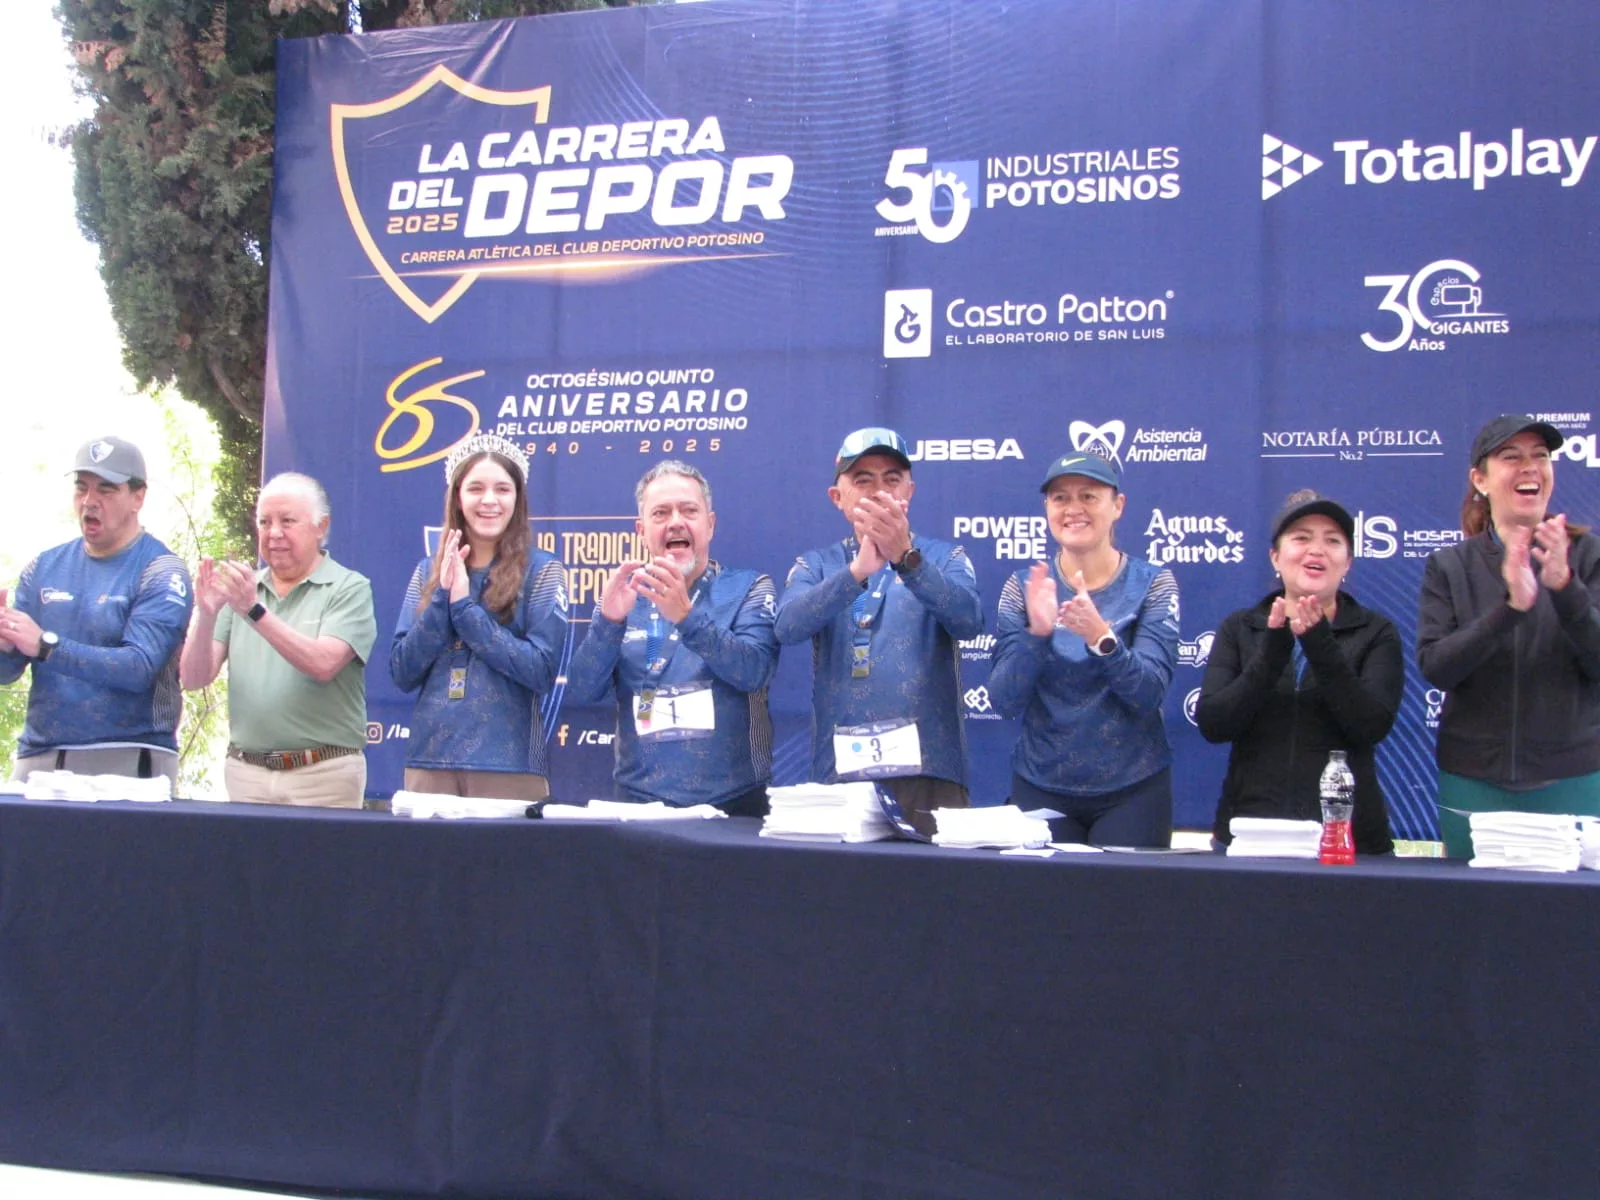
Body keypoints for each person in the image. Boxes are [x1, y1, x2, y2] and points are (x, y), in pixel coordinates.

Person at [774, 428, 983, 835]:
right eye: (863, 480)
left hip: (930, 771)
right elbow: (787, 627)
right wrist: (856, 574)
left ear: (909, 491)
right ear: (838, 497)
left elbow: (969, 622)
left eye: (891, 479)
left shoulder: (945, 557)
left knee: (935, 877)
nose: (879, 491)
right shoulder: (816, 564)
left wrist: (907, 559)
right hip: (841, 771)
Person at [1418, 414, 1600, 857]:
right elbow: (1438, 667)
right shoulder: (1450, 565)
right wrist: (1510, 610)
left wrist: (1565, 589)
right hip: (1472, 780)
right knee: (1472, 901)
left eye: (1540, 456)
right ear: (1480, 480)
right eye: (1511, 457)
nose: (1530, 467)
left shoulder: (1589, 556)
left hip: (1574, 775)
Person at [988, 450, 1179, 846]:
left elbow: (1149, 694)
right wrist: (1037, 635)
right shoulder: (1023, 588)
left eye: (1089, 496)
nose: (1073, 508)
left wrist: (1102, 639)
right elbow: (1004, 701)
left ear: (1117, 505)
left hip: (1133, 788)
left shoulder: (1154, 584)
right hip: (1041, 784)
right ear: (1047, 508)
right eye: (1060, 498)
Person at [566, 460, 779, 814]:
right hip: (637, 805)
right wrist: (608, 623)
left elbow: (755, 671)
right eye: (661, 513)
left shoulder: (749, 588)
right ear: (641, 530)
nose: (675, 522)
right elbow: (583, 690)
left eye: (689, 510)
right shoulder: (624, 596)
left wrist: (687, 618)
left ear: (710, 524)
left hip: (734, 804)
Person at [1196, 490, 1401, 853]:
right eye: (1302, 538)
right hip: (1250, 835)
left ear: (1348, 563)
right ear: (1275, 556)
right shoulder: (1240, 628)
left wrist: (1320, 644)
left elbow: (1370, 726)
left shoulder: (1376, 632)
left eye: (1332, 541)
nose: (1316, 550)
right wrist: (1271, 653)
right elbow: (1215, 724)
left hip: (1348, 842)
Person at [0, 437, 192, 789]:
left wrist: (46, 646)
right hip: (39, 756)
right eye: (81, 488)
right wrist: (5, 643)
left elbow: (138, 668)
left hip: (129, 755)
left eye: (106, 489)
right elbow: (6, 671)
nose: (89, 501)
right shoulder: (42, 567)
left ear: (138, 497)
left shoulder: (162, 571)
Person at [179, 472, 377, 808]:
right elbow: (193, 678)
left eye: (287, 521)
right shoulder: (241, 590)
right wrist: (207, 614)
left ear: (321, 527)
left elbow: (324, 663)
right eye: (264, 522)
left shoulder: (349, 588)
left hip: (324, 774)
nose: (274, 533)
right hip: (247, 772)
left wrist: (253, 611)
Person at [389, 435, 568, 800]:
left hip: (508, 764)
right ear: (457, 497)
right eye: (475, 488)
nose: (489, 500)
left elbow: (541, 671)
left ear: (517, 499)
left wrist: (465, 610)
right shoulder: (427, 571)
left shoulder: (543, 571)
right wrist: (442, 598)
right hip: (429, 761)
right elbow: (402, 671)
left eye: (502, 489)